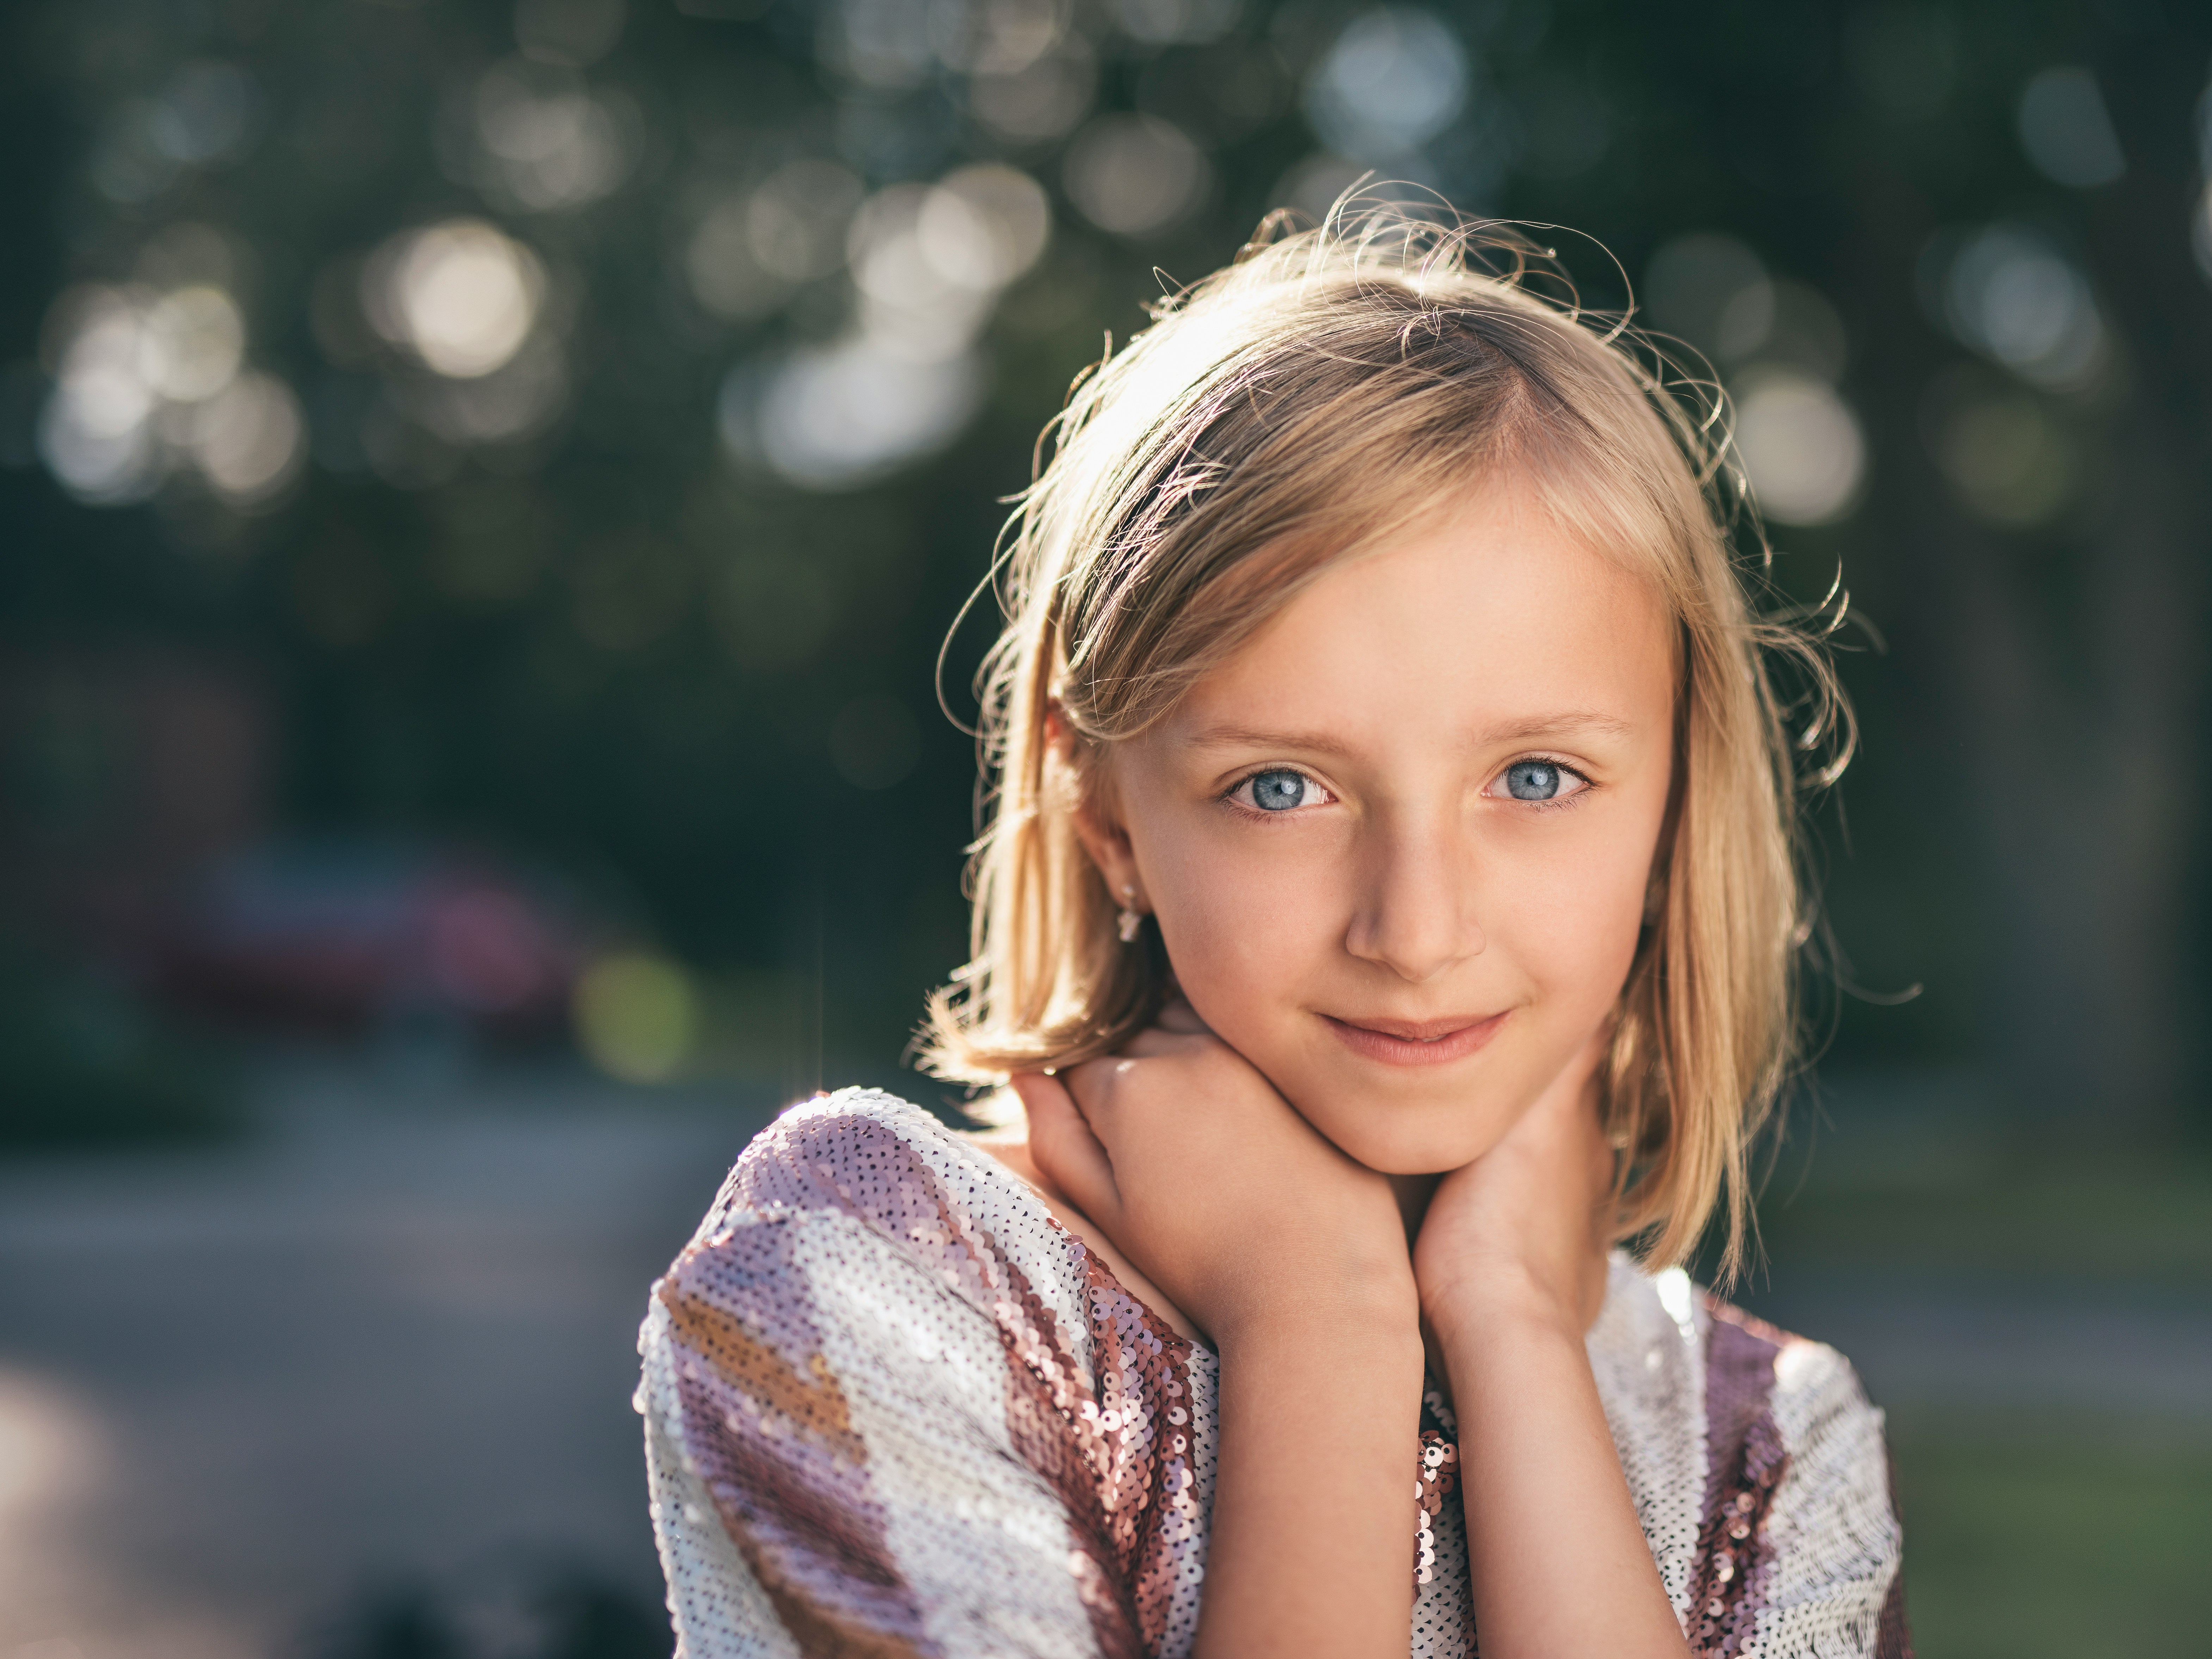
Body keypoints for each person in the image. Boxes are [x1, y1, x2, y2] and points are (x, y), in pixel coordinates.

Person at [636, 205, 1910, 1659]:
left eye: (1536, 777)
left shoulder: (1778, 1443)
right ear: (1108, 810)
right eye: (1282, 786)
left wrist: (1508, 1327)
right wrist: (1321, 1320)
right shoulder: (875, 1277)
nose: (1416, 930)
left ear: (1677, 798)